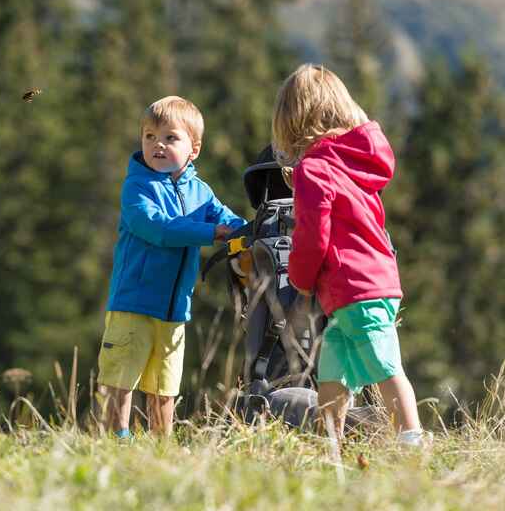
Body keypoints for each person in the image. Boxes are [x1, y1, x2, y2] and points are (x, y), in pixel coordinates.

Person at [271, 64, 428, 447]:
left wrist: (299, 279)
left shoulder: (315, 169)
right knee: (333, 370)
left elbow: (312, 236)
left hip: (354, 288)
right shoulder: (355, 163)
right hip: (373, 283)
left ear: (292, 122)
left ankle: (413, 443)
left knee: (384, 366)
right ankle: (332, 443)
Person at [97, 96, 246, 438]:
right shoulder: (136, 187)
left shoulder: (200, 192)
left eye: (169, 137)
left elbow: (227, 219)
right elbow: (158, 228)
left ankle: (161, 445)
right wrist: (211, 233)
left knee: (165, 385)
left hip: (175, 308)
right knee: (120, 379)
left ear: (194, 149)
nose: (157, 145)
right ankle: (114, 439)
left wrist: (249, 231)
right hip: (133, 302)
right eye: (149, 136)